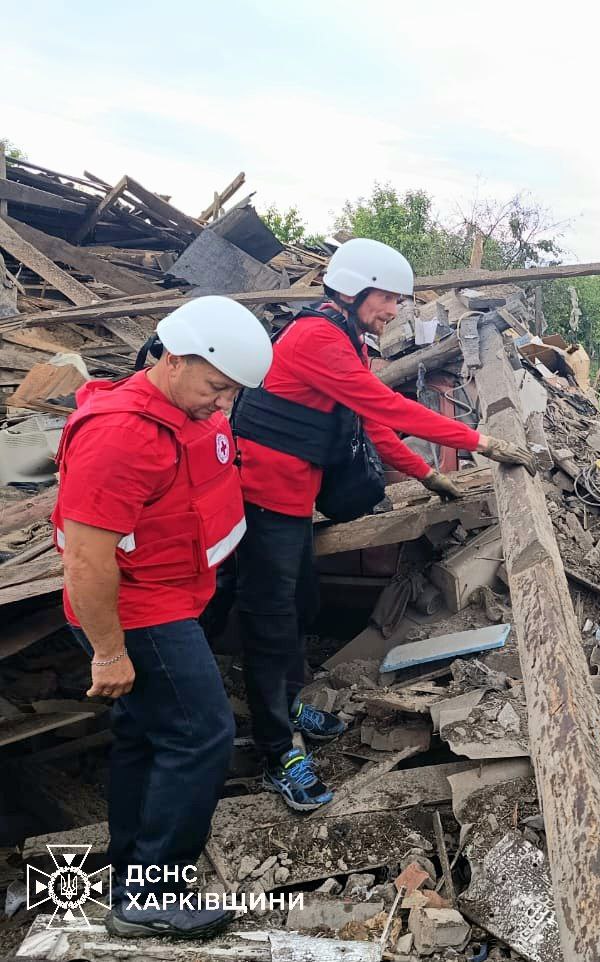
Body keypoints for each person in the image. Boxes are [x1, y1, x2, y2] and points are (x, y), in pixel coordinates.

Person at [231, 237, 534, 812]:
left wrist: (426, 474)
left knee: (301, 606)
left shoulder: (346, 338)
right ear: (352, 290)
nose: (395, 310)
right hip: (261, 499)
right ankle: (277, 751)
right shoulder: (318, 337)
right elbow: (385, 408)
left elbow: (364, 426)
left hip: (294, 501)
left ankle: (290, 704)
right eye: (388, 298)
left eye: (398, 300)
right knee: (270, 621)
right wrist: (481, 442)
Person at [53, 296, 273, 938]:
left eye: (232, 393)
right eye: (216, 387)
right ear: (173, 359)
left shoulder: (183, 407)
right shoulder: (121, 437)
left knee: (147, 735)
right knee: (200, 735)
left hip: (172, 597)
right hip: (137, 612)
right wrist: (109, 651)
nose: (223, 403)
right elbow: (87, 561)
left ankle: (133, 875)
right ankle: (152, 895)